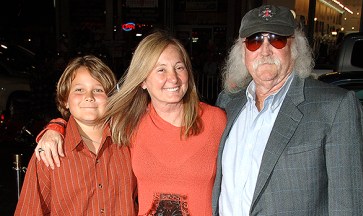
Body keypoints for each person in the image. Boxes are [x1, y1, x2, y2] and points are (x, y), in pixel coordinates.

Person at [33, 31, 227, 215]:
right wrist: (56, 127)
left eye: (179, 67)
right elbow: (88, 119)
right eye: (161, 69)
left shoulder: (216, 120)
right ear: (142, 80)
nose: (173, 78)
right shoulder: (130, 123)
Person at [212, 4, 363, 215]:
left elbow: (350, 207)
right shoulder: (227, 104)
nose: (265, 51)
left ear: (294, 47)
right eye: (254, 41)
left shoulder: (336, 108)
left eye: (276, 39)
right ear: (243, 51)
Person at [14, 55, 137, 215]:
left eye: (98, 90)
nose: (89, 97)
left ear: (111, 98)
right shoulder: (49, 153)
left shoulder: (130, 143)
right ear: (65, 99)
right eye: (79, 90)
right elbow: (29, 211)